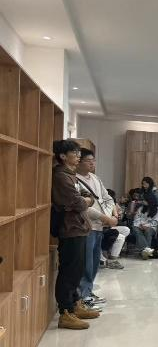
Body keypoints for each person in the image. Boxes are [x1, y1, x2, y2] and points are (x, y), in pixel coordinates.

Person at [51, 140, 100, 329]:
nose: (78, 155)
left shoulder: (71, 175)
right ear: (63, 156)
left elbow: (87, 198)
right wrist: (84, 201)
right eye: (74, 152)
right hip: (70, 229)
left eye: (79, 152)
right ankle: (65, 313)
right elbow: (78, 203)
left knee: (77, 271)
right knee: (69, 272)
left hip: (79, 227)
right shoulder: (61, 176)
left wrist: (84, 200)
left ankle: (74, 305)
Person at [76, 148, 118, 309]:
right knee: (85, 263)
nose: (92, 163)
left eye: (93, 160)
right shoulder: (75, 180)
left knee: (94, 263)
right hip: (87, 226)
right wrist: (106, 218)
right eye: (88, 161)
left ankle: (88, 291)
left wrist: (113, 214)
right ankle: (83, 296)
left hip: (100, 226)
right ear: (79, 161)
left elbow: (107, 198)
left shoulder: (95, 178)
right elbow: (83, 207)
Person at [133, 192, 158, 259]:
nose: (143, 201)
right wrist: (140, 225)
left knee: (148, 231)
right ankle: (147, 250)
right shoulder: (141, 208)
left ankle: (144, 251)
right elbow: (136, 219)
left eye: (144, 200)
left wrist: (146, 225)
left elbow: (155, 222)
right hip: (139, 225)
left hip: (151, 227)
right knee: (135, 228)